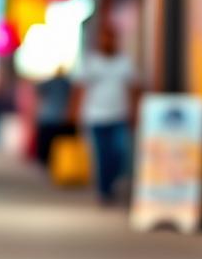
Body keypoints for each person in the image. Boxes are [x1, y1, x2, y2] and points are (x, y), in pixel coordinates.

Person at [70, 21, 138, 206]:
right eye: (104, 37)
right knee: (101, 155)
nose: (108, 41)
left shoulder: (124, 62)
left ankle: (111, 183)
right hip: (95, 116)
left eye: (111, 37)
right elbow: (79, 89)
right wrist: (74, 113)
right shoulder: (91, 62)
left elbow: (133, 89)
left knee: (119, 153)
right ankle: (104, 190)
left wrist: (134, 112)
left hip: (119, 115)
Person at [34, 66, 74, 166]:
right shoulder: (68, 84)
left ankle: (45, 161)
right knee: (59, 144)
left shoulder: (50, 82)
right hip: (62, 116)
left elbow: (38, 89)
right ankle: (57, 162)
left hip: (48, 116)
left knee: (46, 143)